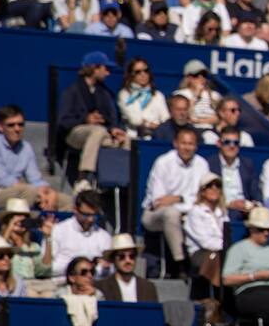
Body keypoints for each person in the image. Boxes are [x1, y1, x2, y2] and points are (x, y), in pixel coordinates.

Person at [141, 126, 209, 276]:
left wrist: (179, 198)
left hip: (187, 214)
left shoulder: (201, 164)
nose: (187, 148)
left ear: (196, 146)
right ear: (175, 144)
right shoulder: (163, 162)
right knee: (172, 213)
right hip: (154, 215)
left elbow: (202, 198)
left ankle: (203, 269)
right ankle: (181, 263)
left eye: (191, 144)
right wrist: (188, 200)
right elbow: (158, 200)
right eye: (184, 143)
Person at [56, 52, 128, 191]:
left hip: (100, 134)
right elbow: (63, 121)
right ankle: (83, 177)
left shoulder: (104, 93)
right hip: (75, 134)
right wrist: (86, 119)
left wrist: (114, 129)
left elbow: (111, 118)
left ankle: (120, 183)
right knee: (97, 131)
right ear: (95, 68)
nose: (107, 73)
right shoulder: (72, 91)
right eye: (105, 69)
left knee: (126, 140)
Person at [0, 103, 71, 210]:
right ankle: (24, 224)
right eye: (11, 125)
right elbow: (1, 179)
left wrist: (48, 191)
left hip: (20, 190)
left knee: (64, 200)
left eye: (20, 124)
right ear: (0, 127)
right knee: (29, 192)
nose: (17, 129)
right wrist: (36, 191)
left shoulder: (26, 147)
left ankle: (49, 225)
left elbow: (35, 178)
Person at [51, 191, 112, 277]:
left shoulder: (104, 236)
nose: (91, 219)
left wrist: (106, 268)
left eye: (94, 215)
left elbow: (110, 269)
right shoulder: (58, 230)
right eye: (86, 215)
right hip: (62, 282)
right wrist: (76, 266)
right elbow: (46, 268)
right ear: (75, 209)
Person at [184, 173, 227, 296]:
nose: (214, 189)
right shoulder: (195, 212)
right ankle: (216, 296)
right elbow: (205, 242)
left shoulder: (222, 213)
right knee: (217, 258)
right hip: (200, 253)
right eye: (209, 186)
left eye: (217, 186)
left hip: (220, 250)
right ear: (202, 191)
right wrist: (227, 247)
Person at [96, 234, 159, 302]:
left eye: (131, 256)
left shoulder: (148, 287)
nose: (128, 260)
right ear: (113, 259)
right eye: (122, 256)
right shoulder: (102, 287)